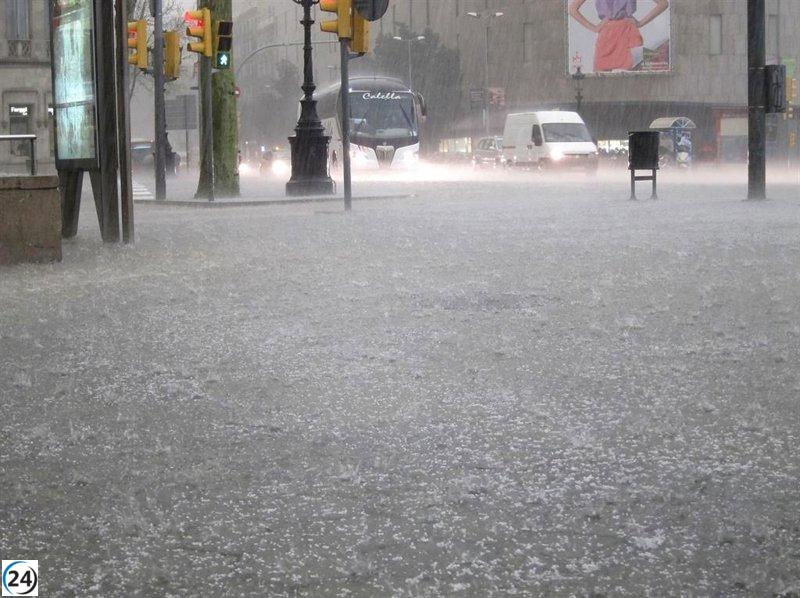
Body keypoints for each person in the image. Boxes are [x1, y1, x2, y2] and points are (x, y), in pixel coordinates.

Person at [569, 0, 669, 72]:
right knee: (600, 83)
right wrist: (594, 28)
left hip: (625, 35)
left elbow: (663, 3)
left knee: (631, 82)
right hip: (610, 37)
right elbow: (572, 9)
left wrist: (640, 23)